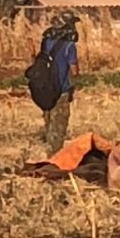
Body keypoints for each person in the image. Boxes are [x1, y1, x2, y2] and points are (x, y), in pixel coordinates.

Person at [41, 11, 80, 155]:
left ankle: (48, 153)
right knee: (58, 126)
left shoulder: (46, 43)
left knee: (49, 123)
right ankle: (54, 159)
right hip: (61, 91)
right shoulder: (70, 47)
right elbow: (74, 70)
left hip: (45, 91)